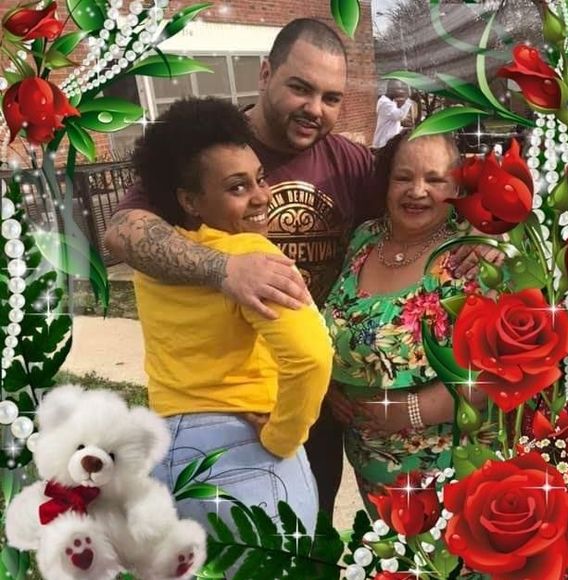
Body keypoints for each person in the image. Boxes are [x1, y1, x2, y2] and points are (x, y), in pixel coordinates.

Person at [105, 18, 496, 520]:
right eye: (301, 88)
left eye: (331, 98)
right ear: (266, 73)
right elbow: (124, 231)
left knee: (312, 530)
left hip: (319, 405)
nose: (315, 109)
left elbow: (419, 191)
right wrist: (226, 268)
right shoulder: (210, 150)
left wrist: (488, 229)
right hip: (232, 403)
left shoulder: (350, 164)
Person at [131, 96, 333, 534]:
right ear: (190, 200)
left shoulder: (157, 260)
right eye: (237, 188)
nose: (261, 196)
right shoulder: (250, 255)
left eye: (260, 179)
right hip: (243, 458)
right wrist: (282, 437)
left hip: (164, 454)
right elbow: (311, 358)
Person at [322, 132, 488, 510]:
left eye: (435, 179)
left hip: (450, 478)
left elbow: (505, 371)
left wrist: (413, 409)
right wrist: (332, 383)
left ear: (457, 188)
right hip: (372, 476)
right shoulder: (364, 239)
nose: (417, 191)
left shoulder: (471, 256)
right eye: (403, 177)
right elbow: (339, 325)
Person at [371, 83, 414, 149]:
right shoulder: (385, 103)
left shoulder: (391, 102)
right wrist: (409, 101)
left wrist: (402, 129)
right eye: (398, 89)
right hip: (384, 143)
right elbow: (400, 116)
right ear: (391, 90)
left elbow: (391, 123)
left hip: (388, 141)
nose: (400, 92)